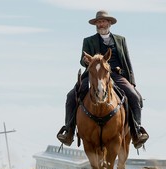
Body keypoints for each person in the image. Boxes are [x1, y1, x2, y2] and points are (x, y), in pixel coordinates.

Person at [57, 10, 149, 149]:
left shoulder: (120, 40)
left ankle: (137, 132)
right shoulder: (88, 40)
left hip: (116, 74)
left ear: (109, 23)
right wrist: (85, 61)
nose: (101, 24)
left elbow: (127, 61)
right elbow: (82, 62)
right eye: (98, 22)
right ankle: (69, 131)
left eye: (103, 21)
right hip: (94, 74)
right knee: (71, 96)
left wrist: (132, 82)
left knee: (134, 97)